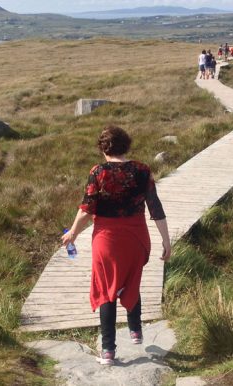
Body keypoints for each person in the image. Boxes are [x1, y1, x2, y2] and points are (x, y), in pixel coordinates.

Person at [62, 126, 171, 366]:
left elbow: (87, 209)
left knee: (106, 290)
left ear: (103, 148)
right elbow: (155, 207)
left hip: (107, 239)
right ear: (127, 145)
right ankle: (135, 330)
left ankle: (108, 351)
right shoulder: (142, 170)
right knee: (131, 280)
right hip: (137, 237)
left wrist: (72, 233)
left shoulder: (98, 172)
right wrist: (166, 240)